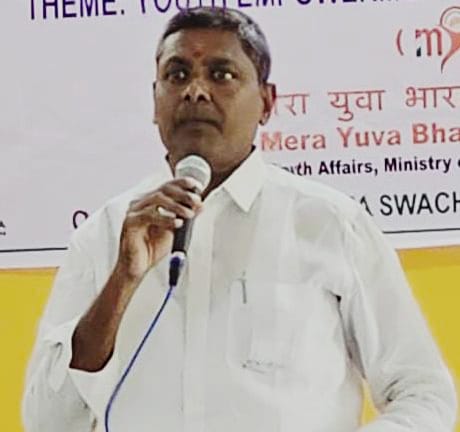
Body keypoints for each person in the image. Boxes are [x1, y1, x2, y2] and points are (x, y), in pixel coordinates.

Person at [22, 6, 457, 432]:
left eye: (221, 74)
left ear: (266, 102)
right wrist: (122, 279)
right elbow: (46, 422)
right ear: (155, 101)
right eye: (177, 75)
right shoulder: (103, 234)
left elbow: (424, 395)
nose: (195, 91)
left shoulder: (329, 224)